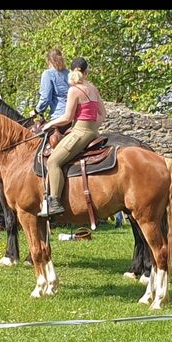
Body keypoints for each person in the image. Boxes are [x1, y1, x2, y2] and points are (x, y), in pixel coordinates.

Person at [38, 57, 107, 217]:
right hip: (93, 132)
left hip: (79, 133)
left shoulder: (74, 90)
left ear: (72, 70)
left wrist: (49, 124)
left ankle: (54, 201)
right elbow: (102, 113)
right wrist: (94, 126)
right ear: (86, 72)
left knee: (53, 161)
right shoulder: (93, 88)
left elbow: (68, 118)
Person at [30, 48, 69, 120]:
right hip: (75, 115)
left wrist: (36, 111)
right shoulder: (69, 73)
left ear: (49, 61)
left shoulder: (48, 74)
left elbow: (46, 97)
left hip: (59, 115)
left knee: (40, 130)